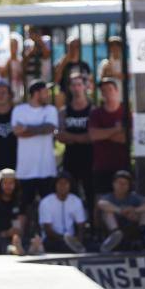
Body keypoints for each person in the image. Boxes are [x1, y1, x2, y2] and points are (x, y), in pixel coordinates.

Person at [11, 80, 59, 229]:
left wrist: (27, 128)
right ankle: (19, 237)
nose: (48, 95)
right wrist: (39, 129)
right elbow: (18, 133)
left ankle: (50, 237)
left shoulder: (51, 110)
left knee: (48, 205)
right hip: (25, 170)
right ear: (36, 93)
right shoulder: (19, 110)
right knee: (23, 207)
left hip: (47, 169)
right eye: (45, 92)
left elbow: (50, 128)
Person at [56, 74, 94, 216]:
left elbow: (92, 137)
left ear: (85, 87)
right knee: (71, 193)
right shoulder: (64, 112)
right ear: (70, 88)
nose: (77, 88)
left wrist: (71, 137)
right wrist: (82, 137)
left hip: (90, 157)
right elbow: (60, 136)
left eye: (79, 84)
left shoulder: (93, 110)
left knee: (91, 192)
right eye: (73, 85)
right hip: (70, 158)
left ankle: (92, 226)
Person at [88, 77, 131, 195]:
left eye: (110, 89)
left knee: (124, 200)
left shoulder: (126, 113)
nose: (107, 93)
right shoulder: (95, 113)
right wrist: (117, 129)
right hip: (102, 167)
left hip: (122, 166)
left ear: (117, 91)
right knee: (101, 201)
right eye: (104, 90)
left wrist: (103, 133)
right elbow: (93, 135)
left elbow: (125, 138)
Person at [97, 170, 145, 252]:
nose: (122, 186)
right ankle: (116, 239)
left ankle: (140, 240)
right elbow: (101, 204)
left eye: (125, 183)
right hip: (113, 228)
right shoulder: (108, 197)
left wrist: (134, 210)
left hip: (131, 225)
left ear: (129, 185)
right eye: (119, 183)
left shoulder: (134, 196)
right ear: (113, 184)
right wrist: (121, 211)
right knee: (107, 213)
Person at [38, 171, 87, 253]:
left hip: (72, 240)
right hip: (53, 240)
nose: (62, 186)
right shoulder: (46, 202)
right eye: (60, 183)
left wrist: (78, 240)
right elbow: (48, 230)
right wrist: (66, 240)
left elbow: (81, 225)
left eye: (65, 183)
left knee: (91, 246)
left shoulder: (76, 201)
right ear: (55, 185)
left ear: (70, 185)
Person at [52, 37, 91, 107]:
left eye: (77, 46)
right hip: (65, 96)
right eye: (71, 46)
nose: (74, 49)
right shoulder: (60, 64)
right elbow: (55, 80)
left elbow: (90, 82)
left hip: (81, 96)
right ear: (67, 48)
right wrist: (63, 64)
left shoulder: (85, 65)